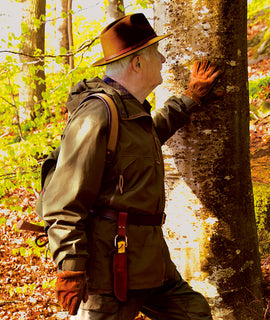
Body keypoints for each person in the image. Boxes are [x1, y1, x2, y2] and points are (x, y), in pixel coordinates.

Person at [43, 13, 221, 320]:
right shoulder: (97, 113)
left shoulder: (130, 110)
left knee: (195, 314)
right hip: (110, 269)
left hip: (151, 261)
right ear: (136, 63)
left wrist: (190, 98)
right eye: (155, 53)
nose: (163, 59)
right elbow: (63, 201)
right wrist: (70, 269)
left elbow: (150, 135)